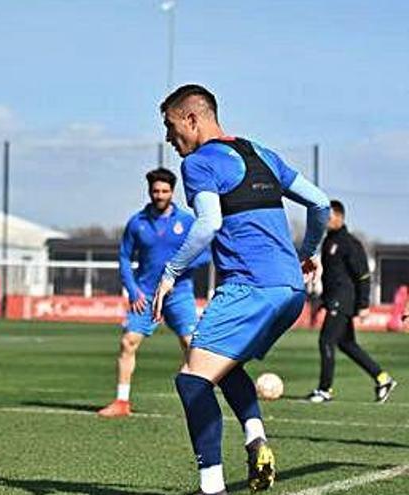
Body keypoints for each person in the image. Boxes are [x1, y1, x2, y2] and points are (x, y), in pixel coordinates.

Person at [151, 84, 329, 494]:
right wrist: (306, 252)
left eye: (169, 125)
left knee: (192, 381)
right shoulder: (263, 152)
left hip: (249, 287)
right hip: (290, 291)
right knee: (225, 365)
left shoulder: (198, 163)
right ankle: (255, 439)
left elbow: (209, 223)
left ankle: (211, 487)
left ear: (192, 119)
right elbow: (320, 203)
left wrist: (171, 272)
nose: (167, 138)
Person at [98, 167, 209, 418]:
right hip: (145, 294)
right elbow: (125, 258)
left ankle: (199, 402)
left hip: (178, 292)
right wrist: (133, 290)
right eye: (156, 191)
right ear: (150, 191)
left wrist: (179, 269)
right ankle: (122, 402)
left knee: (191, 345)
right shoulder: (137, 223)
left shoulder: (187, 221)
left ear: (172, 191)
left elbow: (205, 253)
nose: (160, 195)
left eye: (164, 191)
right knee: (128, 342)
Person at [306, 200, 396, 403]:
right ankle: (383, 379)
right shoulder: (329, 241)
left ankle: (324, 390)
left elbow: (363, 276)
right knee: (347, 344)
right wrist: (322, 302)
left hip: (344, 301)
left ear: (339, 217)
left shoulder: (349, 243)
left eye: (329, 217)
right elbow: (331, 276)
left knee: (326, 341)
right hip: (334, 300)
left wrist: (364, 304)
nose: (326, 221)